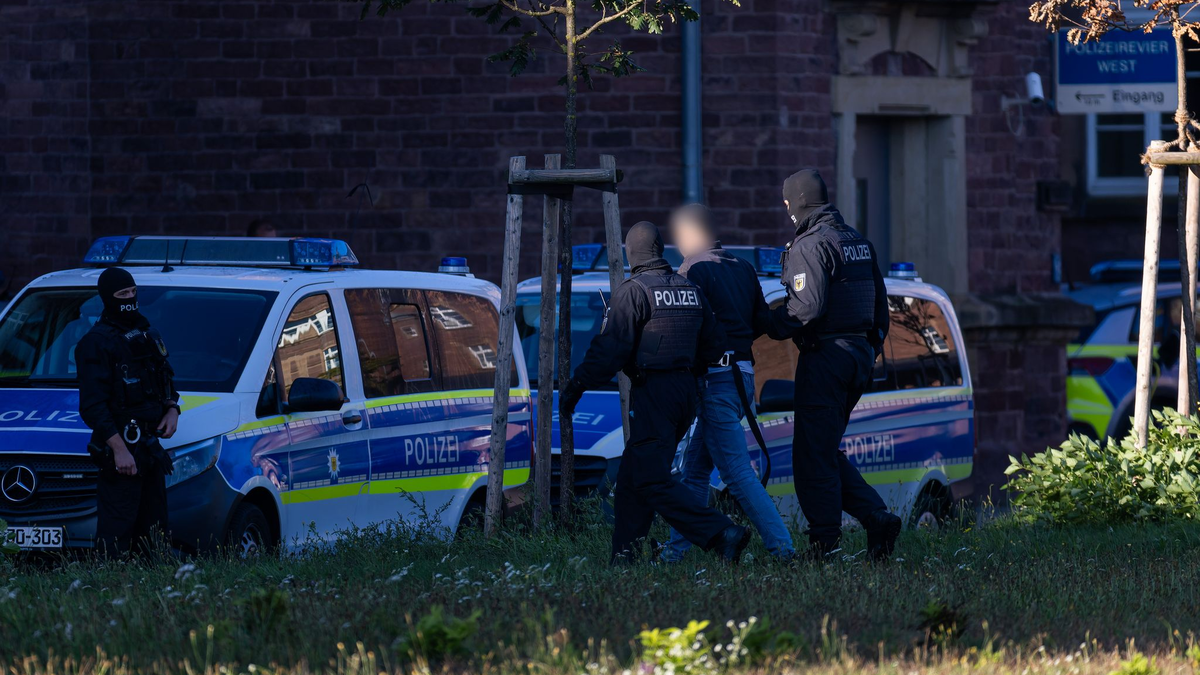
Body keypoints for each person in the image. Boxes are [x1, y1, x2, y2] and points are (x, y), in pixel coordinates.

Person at [560, 221, 751, 564]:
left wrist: (576, 387)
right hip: (685, 394)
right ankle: (625, 556)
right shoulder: (690, 289)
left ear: (632, 253)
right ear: (660, 250)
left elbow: (608, 352)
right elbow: (714, 344)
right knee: (633, 477)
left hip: (654, 393)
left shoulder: (634, 291)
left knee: (650, 479)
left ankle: (721, 532)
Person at [770, 169, 902, 562]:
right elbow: (880, 307)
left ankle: (824, 545)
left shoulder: (810, 245)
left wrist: (764, 324)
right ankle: (876, 517)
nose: (786, 209)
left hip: (826, 358)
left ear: (799, 201)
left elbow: (805, 309)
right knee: (823, 449)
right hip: (858, 356)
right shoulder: (857, 241)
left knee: (812, 456)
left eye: (787, 201)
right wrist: (869, 348)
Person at [662, 205, 796, 563]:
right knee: (694, 473)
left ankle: (784, 551)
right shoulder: (742, 266)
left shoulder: (693, 269)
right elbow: (761, 322)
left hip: (716, 381)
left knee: (736, 473)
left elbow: (686, 326)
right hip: (743, 377)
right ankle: (674, 555)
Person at [77, 267, 179, 556]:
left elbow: (166, 379)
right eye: (122, 294)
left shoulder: (145, 333)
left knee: (155, 536)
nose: (130, 299)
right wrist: (119, 450)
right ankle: (113, 580)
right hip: (121, 453)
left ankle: (152, 582)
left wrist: (172, 409)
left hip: (150, 450)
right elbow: (92, 407)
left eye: (133, 292)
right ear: (108, 298)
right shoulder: (96, 343)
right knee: (116, 536)